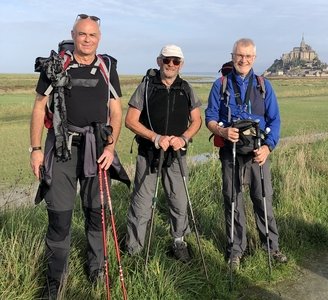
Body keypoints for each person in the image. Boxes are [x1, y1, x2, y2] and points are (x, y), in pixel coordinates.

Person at [30, 14, 128, 298]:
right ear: (73, 35)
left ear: (99, 38)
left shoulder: (107, 66)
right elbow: (39, 108)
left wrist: (110, 147)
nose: (87, 39)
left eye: (92, 35)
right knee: (59, 217)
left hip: (97, 149)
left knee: (96, 214)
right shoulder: (56, 65)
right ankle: (55, 281)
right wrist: (36, 151)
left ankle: (96, 269)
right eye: (82, 34)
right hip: (62, 148)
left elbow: (116, 110)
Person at [205, 38, 287, 268]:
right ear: (232, 56)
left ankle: (271, 248)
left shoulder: (263, 85)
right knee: (232, 202)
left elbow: (275, 120)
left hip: (257, 153)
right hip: (230, 153)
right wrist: (222, 130)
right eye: (240, 55)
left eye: (248, 56)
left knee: (263, 201)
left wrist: (268, 147)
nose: (244, 60)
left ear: (254, 58)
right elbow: (209, 117)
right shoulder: (220, 84)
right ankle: (235, 250)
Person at [125, 44, 202, 263]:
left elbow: (197, 120)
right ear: (159, 61)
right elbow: (130, 120)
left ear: (181, 64)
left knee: (179, 201)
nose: (171, 65)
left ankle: (179, 241)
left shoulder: (186, 88)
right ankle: (135, 251)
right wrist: (155, 138)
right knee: (141, 203)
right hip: (149, 153)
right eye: (167, 60)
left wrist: (183, 138)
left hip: (177, 155)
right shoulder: (147, 86)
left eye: (175, 61)